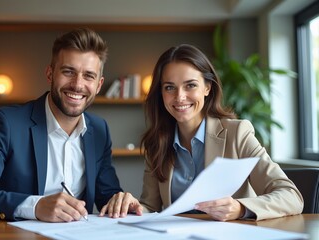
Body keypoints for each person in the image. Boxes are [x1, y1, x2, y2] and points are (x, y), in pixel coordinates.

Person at [0, 28, 142, 222]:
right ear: (50, 74)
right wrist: (35, 206)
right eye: (68, 72)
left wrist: (121, 201)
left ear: (98, 85)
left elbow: (107, 196)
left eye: (88, 76)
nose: (77, 85)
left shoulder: (100, 130)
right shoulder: (7, 123)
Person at [103, 44, 304, 221]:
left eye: (190, 85)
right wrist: (134, 206)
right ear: (161, 93)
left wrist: (240, 208)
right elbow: (151, 207)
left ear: (207, 87)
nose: (179, 97)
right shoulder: (157, 143)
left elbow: (290, 196)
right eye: (169, 87)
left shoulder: (237, 134)